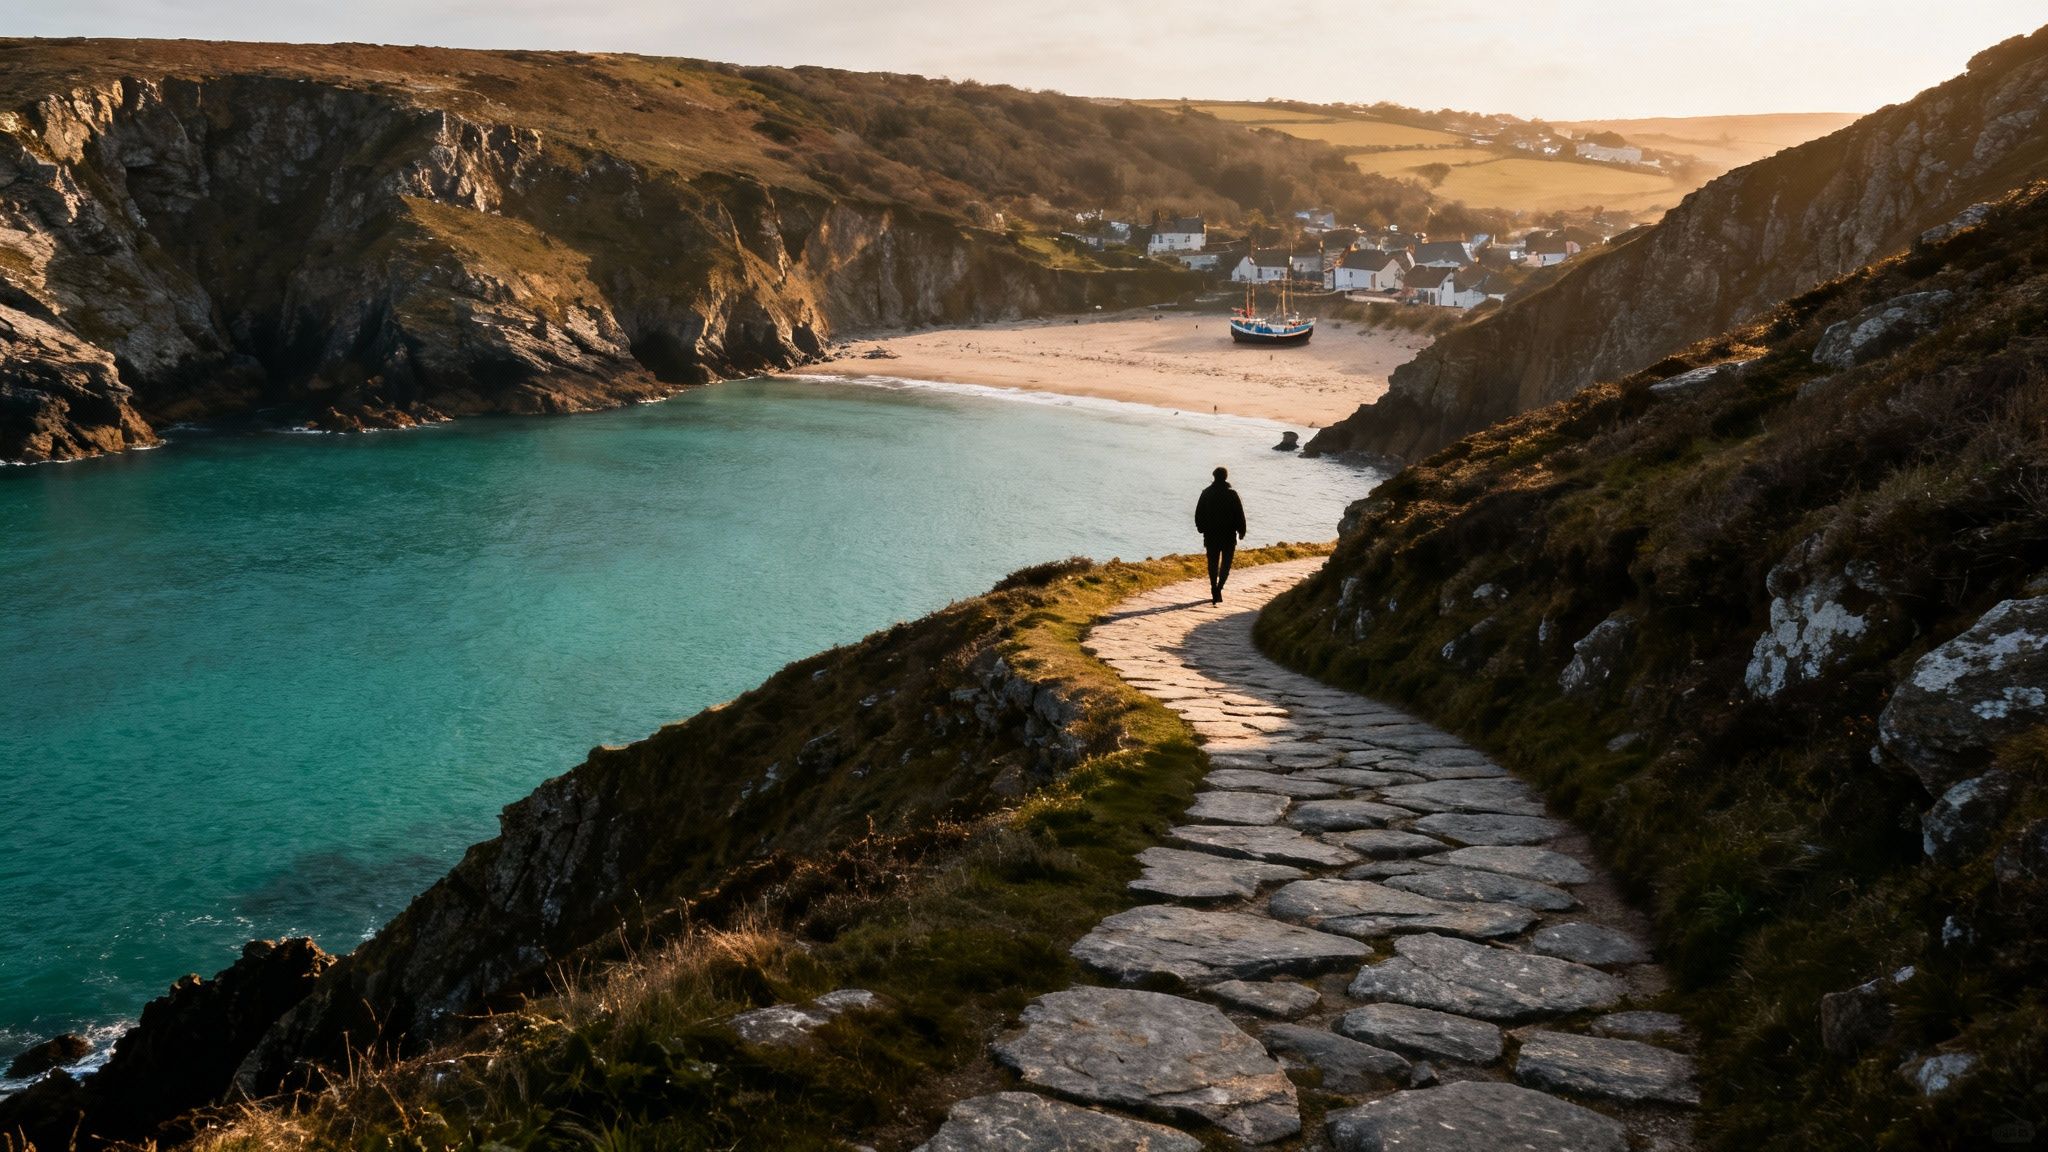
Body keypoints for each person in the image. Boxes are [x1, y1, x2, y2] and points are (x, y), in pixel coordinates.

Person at [1194, 466, 1247, 604]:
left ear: (1214, 476)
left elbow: (1198, 513)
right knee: (1226, 564)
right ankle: (1219, 588)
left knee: (1212, 563)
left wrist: (1201, 528)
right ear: (1225, 477)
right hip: (1228, 536)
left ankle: (1213, 587)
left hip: (1211, 535)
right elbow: (1239, 514)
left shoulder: (1206, 493)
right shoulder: (1232, 494)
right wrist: (1241, 531)